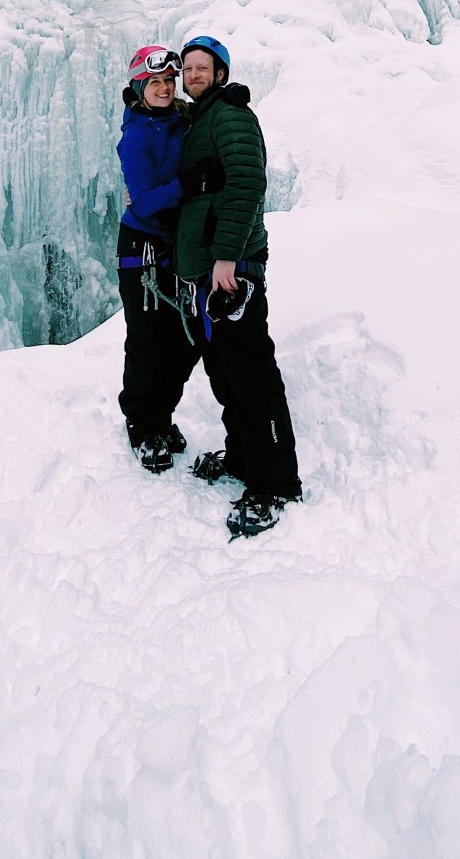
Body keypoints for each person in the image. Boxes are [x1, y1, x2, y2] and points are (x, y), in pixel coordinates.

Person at [175, 34, 303, 540]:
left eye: (203, 68)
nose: (193, 75)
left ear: (221, 73)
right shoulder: (201, 118)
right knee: (226, 374)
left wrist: (228, 253)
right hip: (210, 270)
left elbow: (248, 181)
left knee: (251, 375)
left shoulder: (229, 114)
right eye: (188, 69)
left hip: (232, 267)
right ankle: (246, 458)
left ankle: (275, 483)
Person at [115, 46, 212, 475]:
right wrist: (186, 186)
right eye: (155, 82)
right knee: (147, 340)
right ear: (139, 87)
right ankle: (143, 424)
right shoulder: (135, 136)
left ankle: (162, 414)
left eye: (169, 82)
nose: (164, 87)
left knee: (184, 339)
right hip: (142, 249)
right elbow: (144, 203)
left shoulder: (181, 120)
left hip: (175, 246)